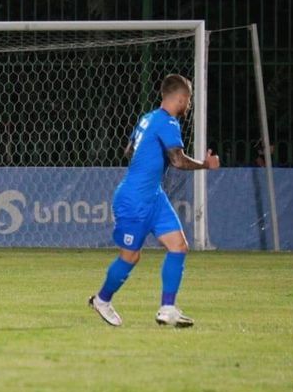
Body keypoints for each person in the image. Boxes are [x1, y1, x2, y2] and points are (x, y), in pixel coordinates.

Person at [89, 74, 220, 328]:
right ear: (181, 98)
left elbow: (129, 150)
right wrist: (206, 164)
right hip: (135, 199)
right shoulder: (168, 123)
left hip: (154, 196)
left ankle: (167, 308)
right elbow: (178, 161)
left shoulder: (147, 119)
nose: (188, 105)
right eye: (188, 100)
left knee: (179, 246)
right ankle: (102, 300)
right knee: (130, 257)